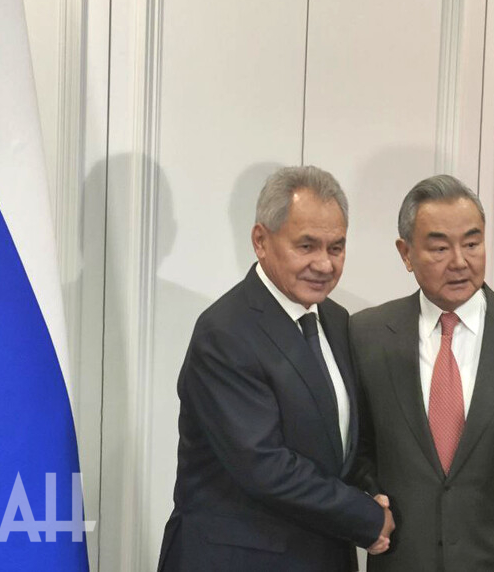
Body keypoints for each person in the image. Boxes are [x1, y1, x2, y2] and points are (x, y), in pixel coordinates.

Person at [158, 166, 394, 572]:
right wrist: (367, 517)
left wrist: (373, 493)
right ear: (261, 241)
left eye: (336, 248)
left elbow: (339, 443)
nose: (324, 264)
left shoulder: (335, 320)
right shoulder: (225, 331)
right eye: (306, 246)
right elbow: (263, 465)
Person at [350, 174, 494, 571]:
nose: (459, 261)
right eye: (440, 248)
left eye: (472, 243)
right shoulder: (366, 335)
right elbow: (357, 450)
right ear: (406, 253)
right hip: (403, 560)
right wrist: (369, 497)